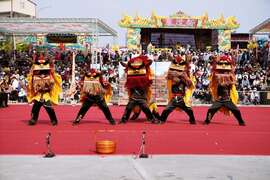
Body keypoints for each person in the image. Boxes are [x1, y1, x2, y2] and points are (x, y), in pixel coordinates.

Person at [204, 55, 246, 126]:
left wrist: (227, 82)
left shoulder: (230, 76)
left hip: (227, 99)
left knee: (236, 110)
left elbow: (234, 82)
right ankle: (207, 121)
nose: (223, 66)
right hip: (219, 100)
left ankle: (241, 121)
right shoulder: (216, 75)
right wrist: (215, 62)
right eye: (221, 64)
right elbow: (213, 75)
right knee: (211, 110)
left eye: (225, 64)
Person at [119, 55, 159, 124]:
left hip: (142, 97)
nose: (137, 70)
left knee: (147, 108)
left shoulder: (145, 80)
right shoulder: (131, 81)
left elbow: (148, 83)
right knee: (128, 108)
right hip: (134, 97)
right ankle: (124, 120)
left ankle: (153, 119)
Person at [27, 53, 62, 126]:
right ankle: (33, 119)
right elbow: (31, 74)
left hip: (46, 94)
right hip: (38, 94)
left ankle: (54, 120)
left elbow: (52, 80)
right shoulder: (35, 75)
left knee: (49, 109)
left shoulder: (50, 75)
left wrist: (49, 85)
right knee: (35, 108)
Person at [160, 54, 196, 124]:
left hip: (181, 99)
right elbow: (168, 76)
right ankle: (162, 120)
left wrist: (186, 75)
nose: (176, 73)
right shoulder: (172, 79)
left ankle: (192, 120)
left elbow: (190, 84)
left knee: (189, 110)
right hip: (174, 99)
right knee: (166, 110)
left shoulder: (183, 81)